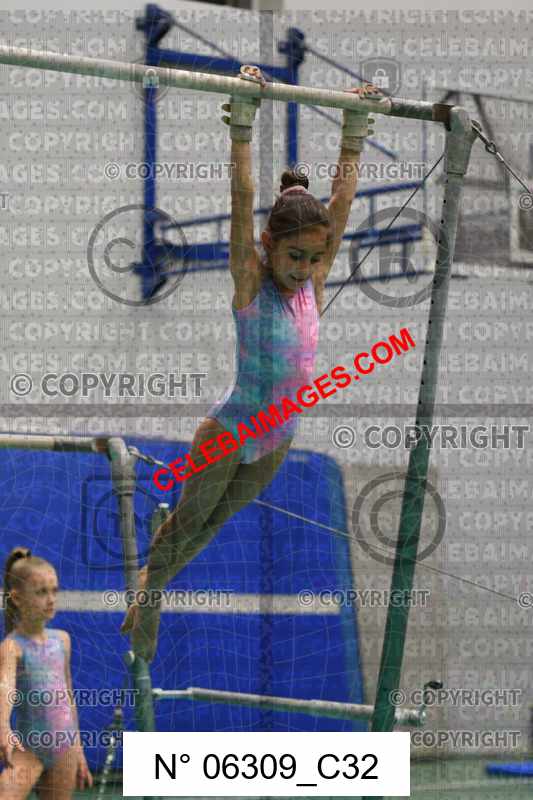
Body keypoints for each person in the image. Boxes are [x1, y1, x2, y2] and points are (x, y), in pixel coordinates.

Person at [121, 66, 382, 662]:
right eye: (294, 256)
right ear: (268, 246)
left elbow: (340, 203)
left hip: (278, 435)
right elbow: (241, 201)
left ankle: (153, 582)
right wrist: (242, 122)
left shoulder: (313, 281)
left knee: (213, 528)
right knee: (189, 523)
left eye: (313, 258)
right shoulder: (251, 282)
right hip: (231, 428)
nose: (304, 267)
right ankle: (150, 593)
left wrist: (354, 130)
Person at [0, 548, 93, 799]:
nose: (51, 599)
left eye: (54, 591)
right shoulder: (12, 646)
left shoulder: (62, 640)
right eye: (41, 592)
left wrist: (79, 750)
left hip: (65, 751)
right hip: (29, 750)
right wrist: (3, 728)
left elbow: (67, 698)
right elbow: (5, 689)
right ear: (17, 598)